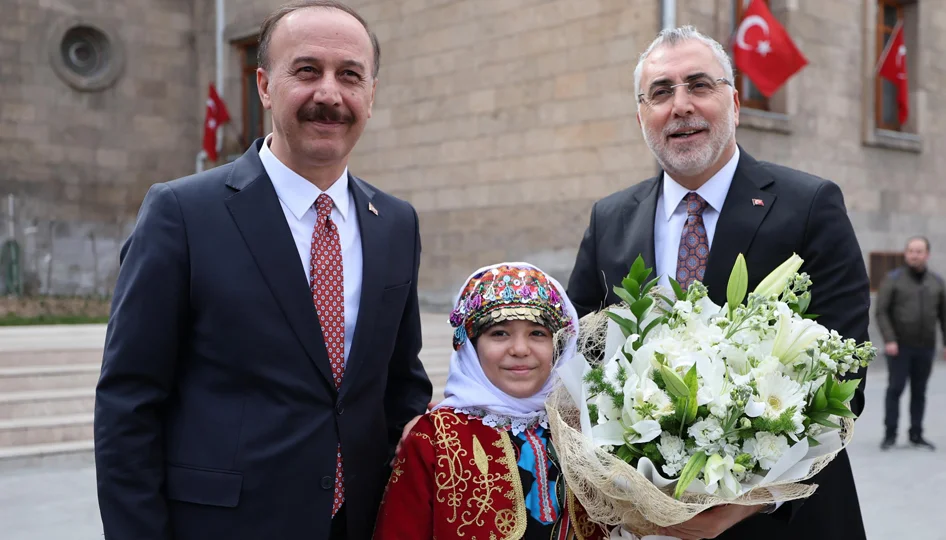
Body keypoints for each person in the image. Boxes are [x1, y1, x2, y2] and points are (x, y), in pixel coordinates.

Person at [93, 2, 432, 539]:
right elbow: (129, 402)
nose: (329, 94)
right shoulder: (182, 213)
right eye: (306, 70)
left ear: (371, 93)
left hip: (363, 523)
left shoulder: (395, 222)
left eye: (349, 75)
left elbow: (401, 387)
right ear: (265, 85)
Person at [566, 26, 870, 540]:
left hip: (784, 524)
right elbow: (574, 355)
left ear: (733, 101)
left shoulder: (809, 205)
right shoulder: (610, 217)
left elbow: (845, 378)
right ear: (642, 115)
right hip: (647, 524)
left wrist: (750, 501)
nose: (680, 105)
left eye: (699, 85)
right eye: (661, 92)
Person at [373, 263, 610, 540]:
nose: (520, 349)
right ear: (471, 346)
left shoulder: (587, 429)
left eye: (538, 333)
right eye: (499, 333)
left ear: (560, 345)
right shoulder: (434, 437)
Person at [876, 236, 944, 451]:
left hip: (925, 346)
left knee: (919, 391)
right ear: (906, 254)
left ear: (927, 254)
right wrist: (890, 339)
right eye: (911, 251)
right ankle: (890, 434)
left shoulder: (936, 282)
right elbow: (881, 312)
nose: (914, 255)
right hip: (899, 346)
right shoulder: (893, 279)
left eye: (919, 251)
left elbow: (944, 315)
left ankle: (916, 434)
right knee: (895, 389)